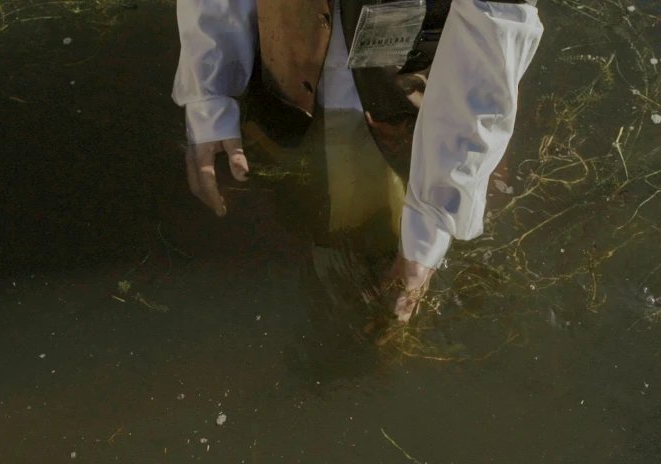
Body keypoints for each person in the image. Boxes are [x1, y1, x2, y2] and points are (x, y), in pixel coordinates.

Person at [172, 0, 544, 333]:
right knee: (293, 221)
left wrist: (431, 224)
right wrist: (210, 90)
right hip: (284, 78)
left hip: (416, 105)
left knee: (404, 257)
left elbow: (495, 23)